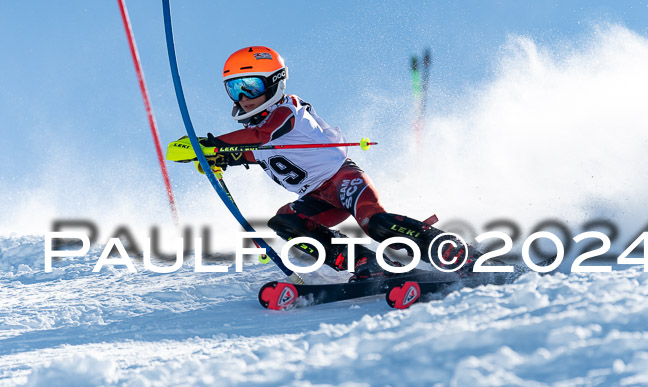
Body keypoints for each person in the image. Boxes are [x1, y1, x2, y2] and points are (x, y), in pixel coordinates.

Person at [183, 46, 482, 281]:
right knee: (285, 222)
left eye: (250, 86)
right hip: (317, 197)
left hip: (344, 180)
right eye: (235, 89)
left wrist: (206, 145)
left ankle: (452, 251)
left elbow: (261, 135)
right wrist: (216, 158)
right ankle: (367, 262)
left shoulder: (287, 110)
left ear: (274, 83)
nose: (244, 97)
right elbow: (247, 151)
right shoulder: (254, 135)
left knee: (374, 222)